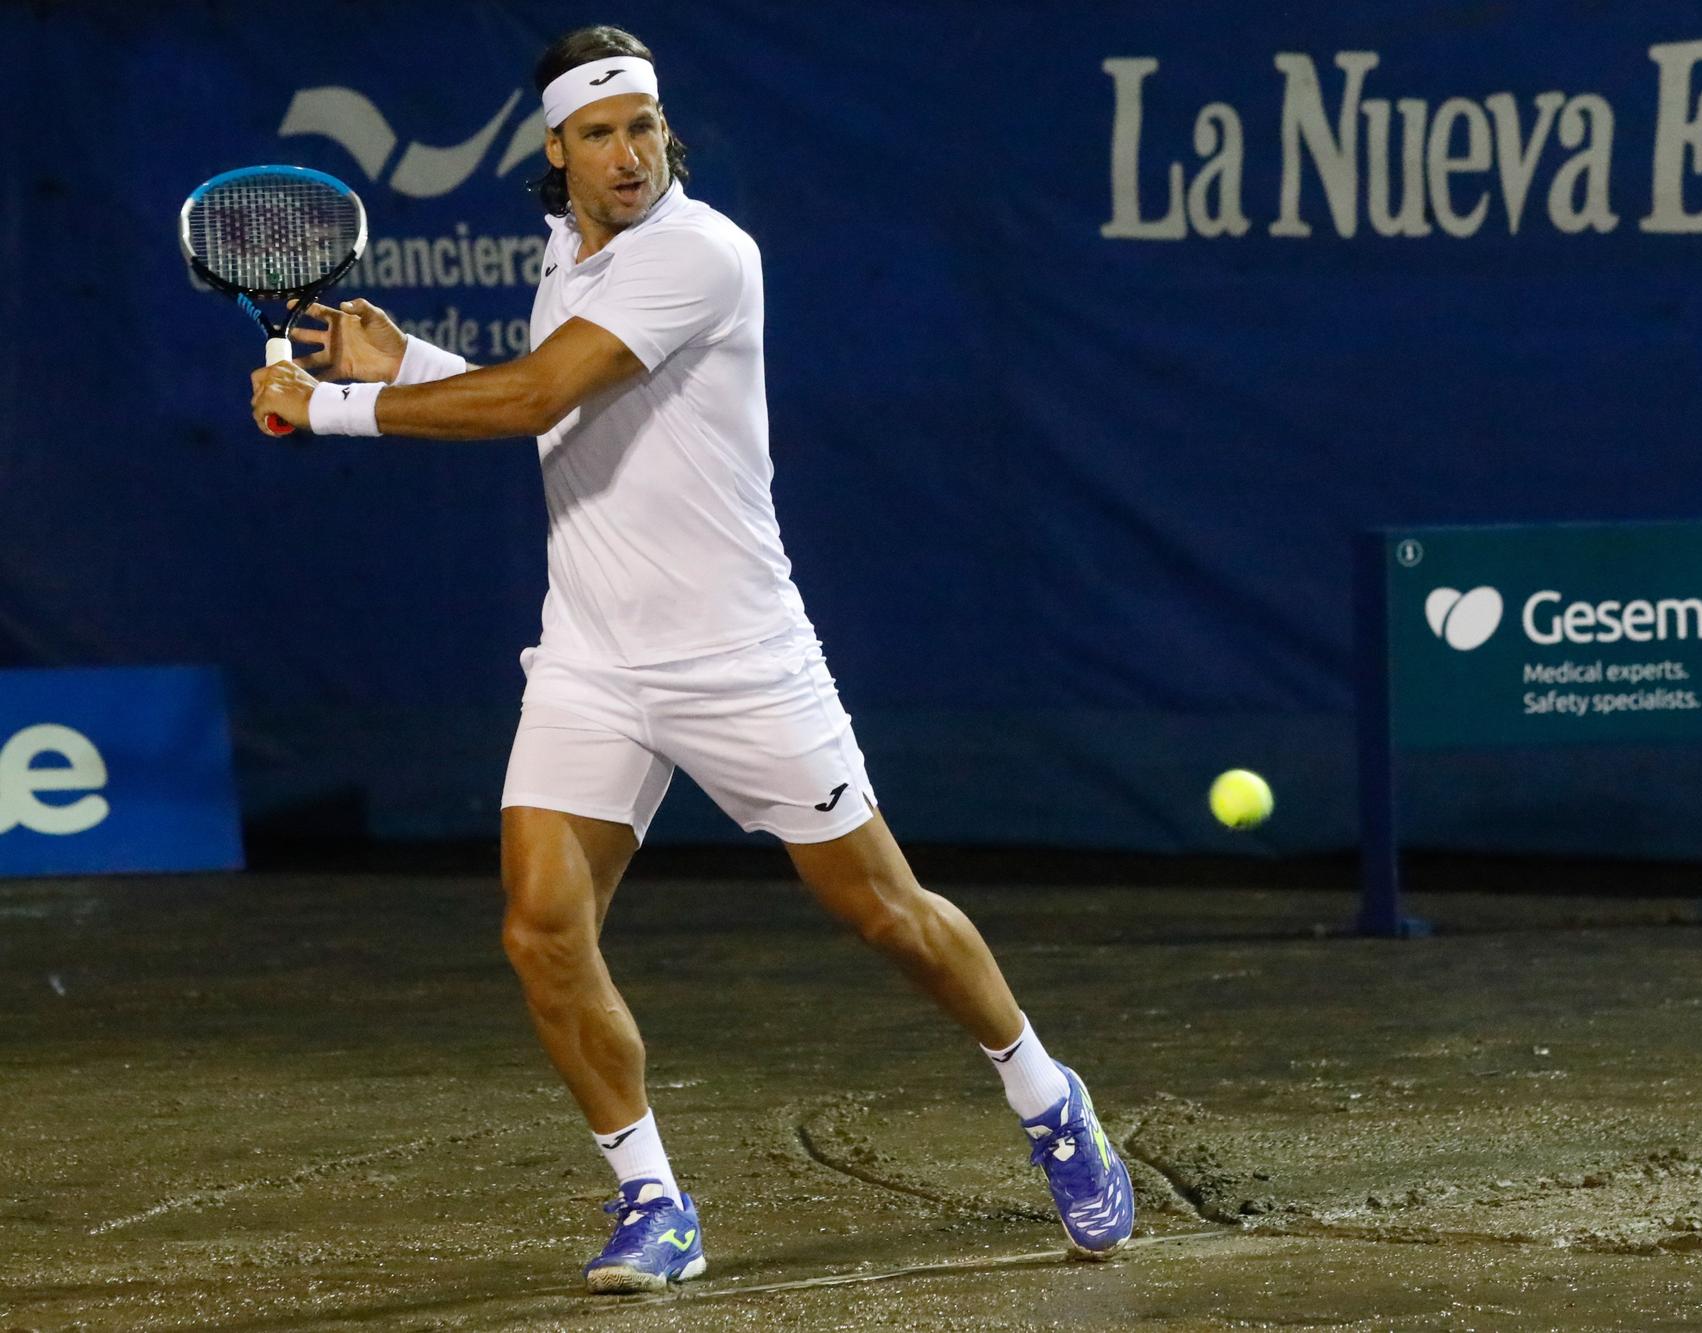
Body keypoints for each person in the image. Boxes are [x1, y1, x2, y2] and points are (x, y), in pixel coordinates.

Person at [249, 23, 1134, 1294]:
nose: (629, 152)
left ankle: (1047, 1097)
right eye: (601, 132)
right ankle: (652, 1198)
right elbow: (568, 418)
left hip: (740, 659)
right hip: (593, 661)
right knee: (541, 930)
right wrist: (410, 367)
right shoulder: (572, 254)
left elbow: (540, 398)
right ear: (556, 150)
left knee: (882, 912)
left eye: (646, 125)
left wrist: (329, 406)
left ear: (669, 132)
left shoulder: (701, 255)